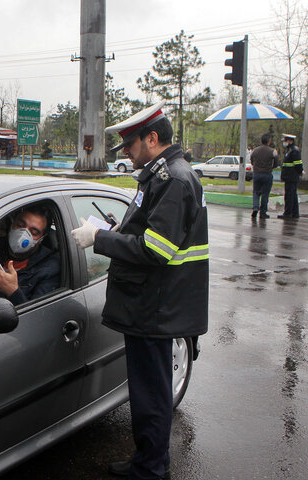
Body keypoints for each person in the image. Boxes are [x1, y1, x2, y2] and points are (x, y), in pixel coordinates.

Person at [71, 101, 209, 480]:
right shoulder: (162, 176)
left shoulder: (174, 180)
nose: (127, 153)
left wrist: (99, 238)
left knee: (151, 395)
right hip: (151, 303)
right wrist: (116, 232)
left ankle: (150, 470)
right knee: (148, 392)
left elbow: (155, 250)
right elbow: (148, 235)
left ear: (152, 138)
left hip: (156, 306)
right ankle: (148, 460)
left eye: (130, 145)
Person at [0, 205, 60, 305]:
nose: (23, 234)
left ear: (42, 238)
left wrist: (13, 291)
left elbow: (36, 316)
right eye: (20, 225)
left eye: (34, 232)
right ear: (12, 224)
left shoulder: (49, 268)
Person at [250, 134, 279, 219]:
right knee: (265, 194)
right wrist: (270, 167)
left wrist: (256, 167)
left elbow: (251, 161)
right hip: (267, 174)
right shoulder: (273, 151)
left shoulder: (255, 150)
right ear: (269, 141)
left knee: (256, 192)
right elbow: (276, 163)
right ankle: (263, 213)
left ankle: (255, 207)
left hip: (257, 174)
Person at [278, 133, 303, 219]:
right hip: (289, 177)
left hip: (291, 177)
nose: (284, 142)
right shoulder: (290, 150)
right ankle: (294, 213)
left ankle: (288, 213)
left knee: (289, 195)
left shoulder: (294, 151)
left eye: (286, 140)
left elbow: (298, 165)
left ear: (291, 141)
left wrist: (301, 172)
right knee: (292, 195)